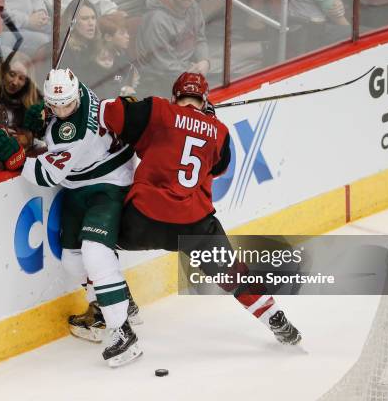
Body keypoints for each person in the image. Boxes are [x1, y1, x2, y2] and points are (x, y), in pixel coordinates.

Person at [94, 72, 302, 345]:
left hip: (144, 219)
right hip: (195, 224)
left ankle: (122, 302)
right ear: (204, 101)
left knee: (96, 245)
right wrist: (207, 123)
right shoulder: (220, 132)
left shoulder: (156, 110)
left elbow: (106, 111)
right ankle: (275, 317)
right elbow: (219, 167)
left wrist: (129, 101)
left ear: (174, 96)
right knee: (232, 273)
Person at [0, 68, 142, 367]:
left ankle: (122, 332)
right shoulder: (78, 90)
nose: (62, 109)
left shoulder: (75, 131)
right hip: (80, 183)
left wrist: (17, 159)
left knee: (95, 253)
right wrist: (45, 119)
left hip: (109, 182)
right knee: (73, 259)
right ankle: (117, 303)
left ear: (75, 96)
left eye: (66, 105)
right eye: (55, 104)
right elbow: (58, 118)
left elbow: (46, 174)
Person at [135, 0, 210, 97]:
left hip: (187, 73)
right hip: (157, 83)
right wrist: (194, 71)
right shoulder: (156, 19)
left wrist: (204, 60)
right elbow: (163, 65)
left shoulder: (193, 8)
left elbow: (200, 39)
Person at [0, 50, 42, 149]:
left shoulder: (32, 100)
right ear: (3, 73)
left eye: (21, 78)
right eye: (12, 74)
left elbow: (31, 134)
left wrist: (24, 139)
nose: (15, 82)